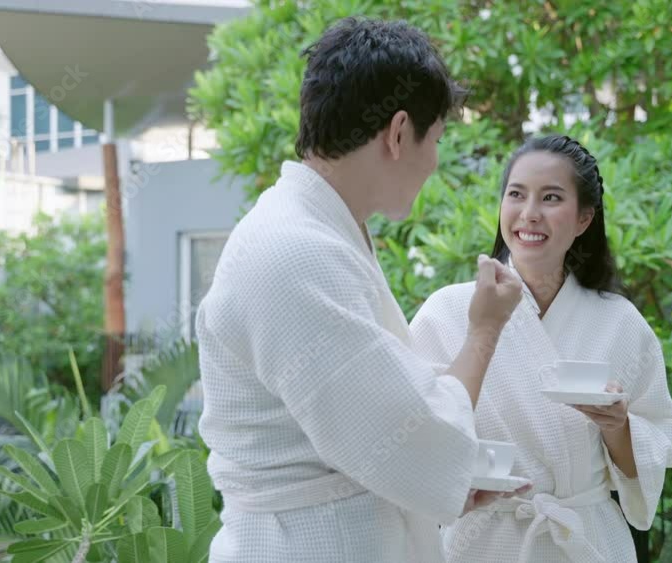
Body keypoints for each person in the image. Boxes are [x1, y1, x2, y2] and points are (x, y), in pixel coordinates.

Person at [195, 17, 527, 563]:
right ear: (399, 133)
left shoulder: (313, 233)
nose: (435, 161)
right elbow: (413, 434)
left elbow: (392, 433)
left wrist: (439, 474)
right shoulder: (294, 251)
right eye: (437, 138)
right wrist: (485, 329)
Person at [410, 134, 672, 562]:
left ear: (584, 218)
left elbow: (645, 465)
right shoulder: (448, 311)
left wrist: (617, 424)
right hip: (483, 541)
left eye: (551, 197)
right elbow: (412, 432)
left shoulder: (620, 323)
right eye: (516, 195)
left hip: (584, 539)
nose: (529, 214)